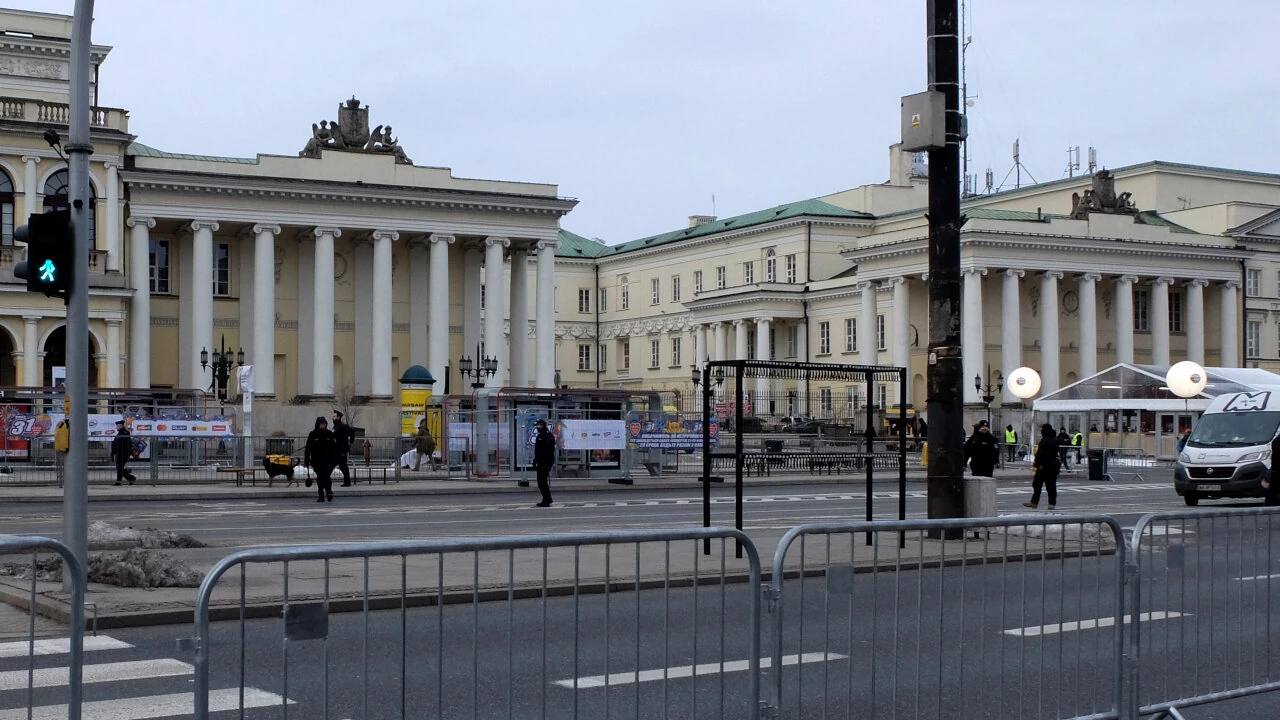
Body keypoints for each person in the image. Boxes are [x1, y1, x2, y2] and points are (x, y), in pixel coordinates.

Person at [1025, 424, 1061, 510]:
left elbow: (1044, 454)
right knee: (1045, 485)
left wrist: (1040, 464)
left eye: (1042, 430)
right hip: (1048, 466)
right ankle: (1047, 503)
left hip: (1046, 466)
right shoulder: (1051, 439)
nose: (1041, 431)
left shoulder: (1048, 440)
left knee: (1043, 485)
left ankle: (1038, 502)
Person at [304, 416, 340, 503]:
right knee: (320, 479)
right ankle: (321, 496)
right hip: (316, 461)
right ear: (318, 424)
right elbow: (308, 448)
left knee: (326, 477)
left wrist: (335, 459)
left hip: (328, 461)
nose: (323, 425)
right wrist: (306, 460)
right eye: (322, 424)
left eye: (324, 424)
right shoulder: (313, 434)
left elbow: (334, 447)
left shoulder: (329, 434)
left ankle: (329, 492)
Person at [533, 419, 556, 507]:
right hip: (540, 462)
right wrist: (535, 460)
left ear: (544, 426)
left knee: (542, 482)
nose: (538, 427)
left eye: (540, 425)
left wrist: (549, 464)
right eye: (538, 425)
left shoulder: (548, 436)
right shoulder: (539, 436)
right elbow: (538, 450)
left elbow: (550, 451)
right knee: (541, 482)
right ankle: (546, 498)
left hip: (545, 463)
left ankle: (547, 499)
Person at [332, 409, 356, 487]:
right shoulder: (337, 426)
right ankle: (347, 482)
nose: (333, 418)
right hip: (338, 450)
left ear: (338, 417)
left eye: (334, 416)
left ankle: (347, 482)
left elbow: (352, 432)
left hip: (341, 450)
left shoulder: (341, 426)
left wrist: (350, 442)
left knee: (343, 466)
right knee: (339, 465)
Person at [110, 419, 136, 486]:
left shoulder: (125, 433)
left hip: (124, 454)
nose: (116, 427)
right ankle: (130, 478)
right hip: (118, 454)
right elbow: (115, 444)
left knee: (119, 468)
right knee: (119, 468)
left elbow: (125, 444)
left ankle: (120, 481)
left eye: (118, 426)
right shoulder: (119, 433)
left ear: (121, 426)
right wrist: (112, 453)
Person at [53, 418, 70, 488]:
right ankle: (62, 482)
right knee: (64, 466)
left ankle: (61, 482)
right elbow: (64, 437)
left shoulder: (59, 424)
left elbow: (58, 435)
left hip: (58, 447)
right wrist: (65, 448)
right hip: (63, 448)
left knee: (60, 467)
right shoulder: (65, 425)